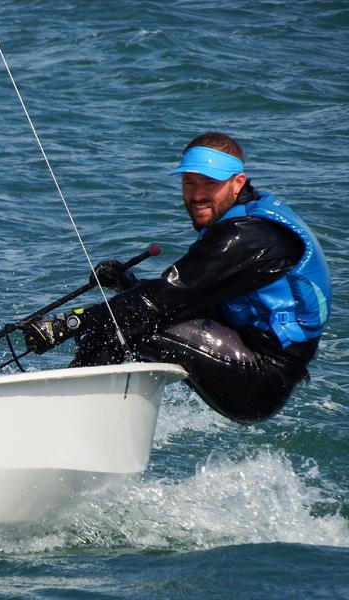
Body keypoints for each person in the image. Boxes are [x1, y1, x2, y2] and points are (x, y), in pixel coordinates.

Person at [24, 132, 331, 423]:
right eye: (189, 182)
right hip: (244, 355)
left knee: (118, 327)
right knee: (124, 320)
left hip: (262, 378)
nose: (197, 195)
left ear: (237, 183)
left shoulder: (249, 236)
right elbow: (184, 298)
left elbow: (158, 302)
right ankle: (94, 424)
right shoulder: (239, 224)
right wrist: (129, 284)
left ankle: (60, 425)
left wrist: (68, 324)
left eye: (209, 183)